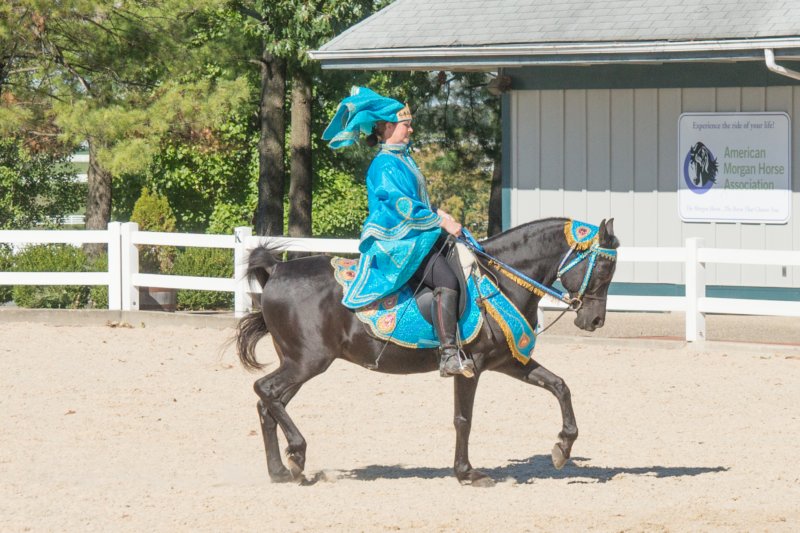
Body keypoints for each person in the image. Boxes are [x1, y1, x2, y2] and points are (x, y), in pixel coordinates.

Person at [322, 87, 474, 378]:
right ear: (389, 127)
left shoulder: (403, 159)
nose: (411, 128)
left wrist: (439, 213)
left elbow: (416, 201)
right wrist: (440, 223)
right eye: (406, 124)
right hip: (398, 242)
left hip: (415, 235)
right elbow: (401, 205)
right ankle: (448, 354)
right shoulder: (384, 164)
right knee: (446, 279)